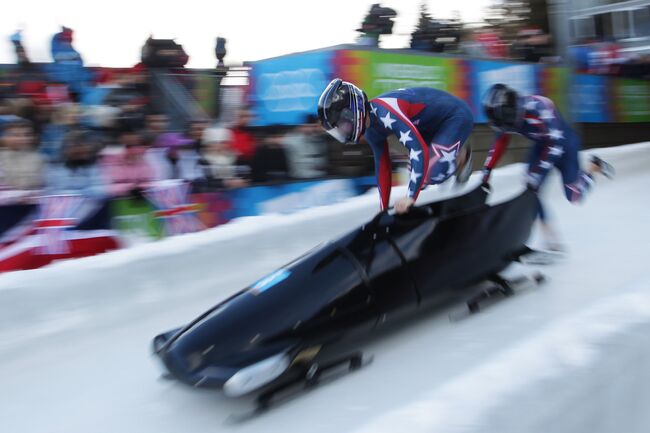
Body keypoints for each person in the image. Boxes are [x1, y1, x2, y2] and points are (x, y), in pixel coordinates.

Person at [480, 83, 613, 248]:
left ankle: (593, 166)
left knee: (574, 196)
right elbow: (500, 140)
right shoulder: (506, 116)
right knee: (532, 191)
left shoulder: (540, 107)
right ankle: (551, 240)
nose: (508, 127)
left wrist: (537, 174)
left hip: (565, 147)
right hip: (542, 145)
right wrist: (487, 169)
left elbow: (555, 145)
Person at [317, 78, 474, 213]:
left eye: (342, 124)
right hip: (430, 126)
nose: (343, 130)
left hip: (455, 116)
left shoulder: (387, 112)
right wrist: (383, 209)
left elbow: (417, 150)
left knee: (430, 173)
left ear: (352, 111)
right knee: (415, 171)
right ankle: (445, 160)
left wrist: (410, 198)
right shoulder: (371, 130)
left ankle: (462, 158)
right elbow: (383, 166)